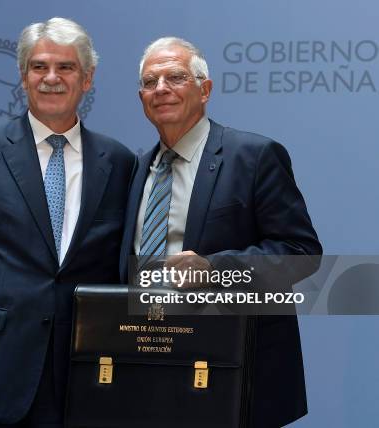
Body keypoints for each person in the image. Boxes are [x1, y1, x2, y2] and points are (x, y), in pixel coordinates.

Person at [0, 17, 135, 428]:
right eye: (39, 67)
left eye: (66, 68)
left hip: (82, 375)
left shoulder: (119, 161)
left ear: (87, 79)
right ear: (23, 78)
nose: (51, 78)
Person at [118, 37, 322, 427]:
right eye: (149, 81)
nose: (160, 89)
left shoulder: (254, 156)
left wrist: (216, 268)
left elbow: (301, 252)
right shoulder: (134, 169)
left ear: (205, 89)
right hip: (146, 367)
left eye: (175, 77)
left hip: (232, 370)